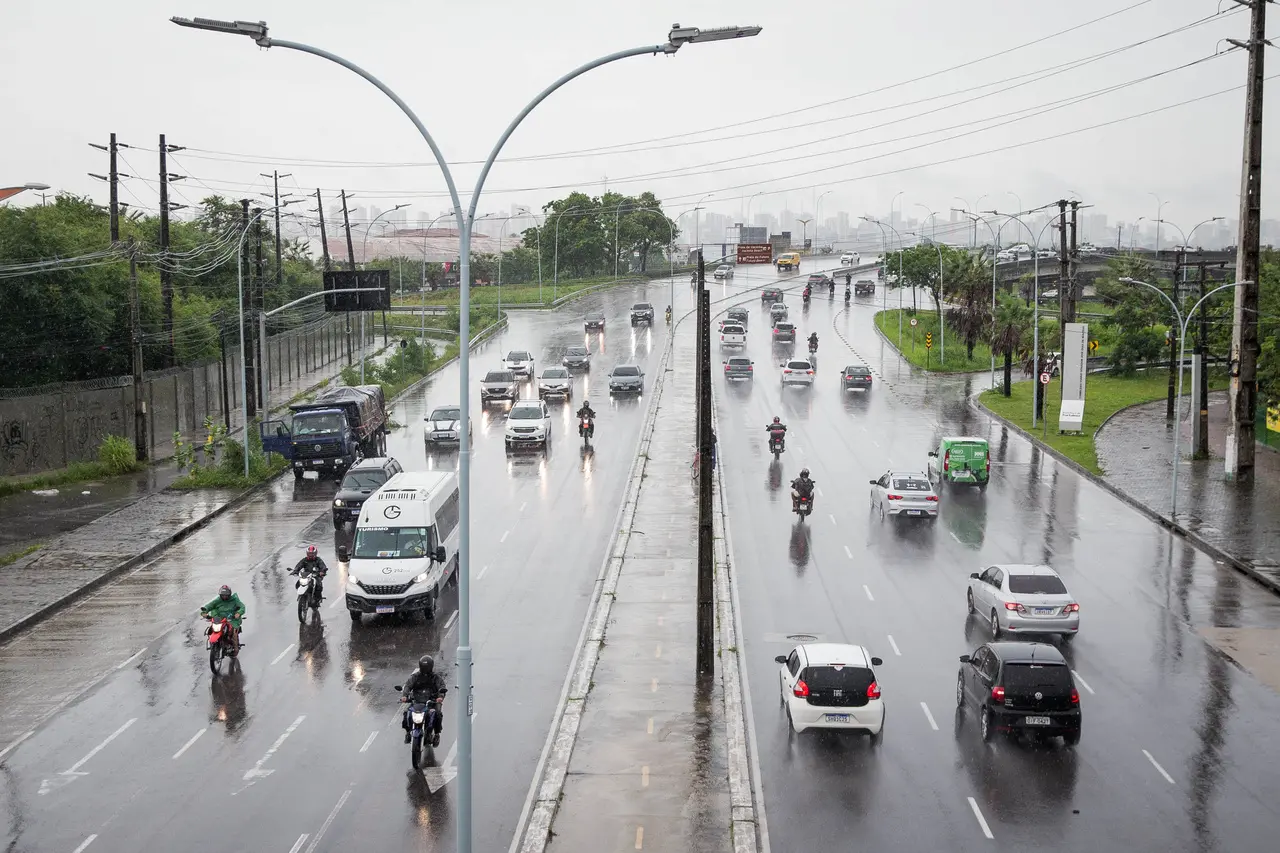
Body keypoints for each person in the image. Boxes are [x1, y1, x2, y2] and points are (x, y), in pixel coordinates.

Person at [401, 654, 448, 746]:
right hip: (417, 701)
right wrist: (405, 696)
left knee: (437, 713)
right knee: (406, 712)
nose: (425, 669)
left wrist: (440, 697)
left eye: (426, 667)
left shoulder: (436, 678)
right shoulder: (415, 677)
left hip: (432, 701)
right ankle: (407, 732)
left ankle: (437, 734)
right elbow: (407, 686)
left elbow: (442, 687)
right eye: (423, 667)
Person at [200, 585, 246, 653]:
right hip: (220, 619)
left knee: (233, 633)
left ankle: (235, 648)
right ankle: (214, 644)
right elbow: (209, 606)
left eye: (226, 595)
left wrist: (238, 613)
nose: (224, 597)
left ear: (229, 594)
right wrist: (204, 612)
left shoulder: (235, 600)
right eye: (223, 595)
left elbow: (242, 607)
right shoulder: (218, 600)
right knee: (212, 629)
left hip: (232, 619)